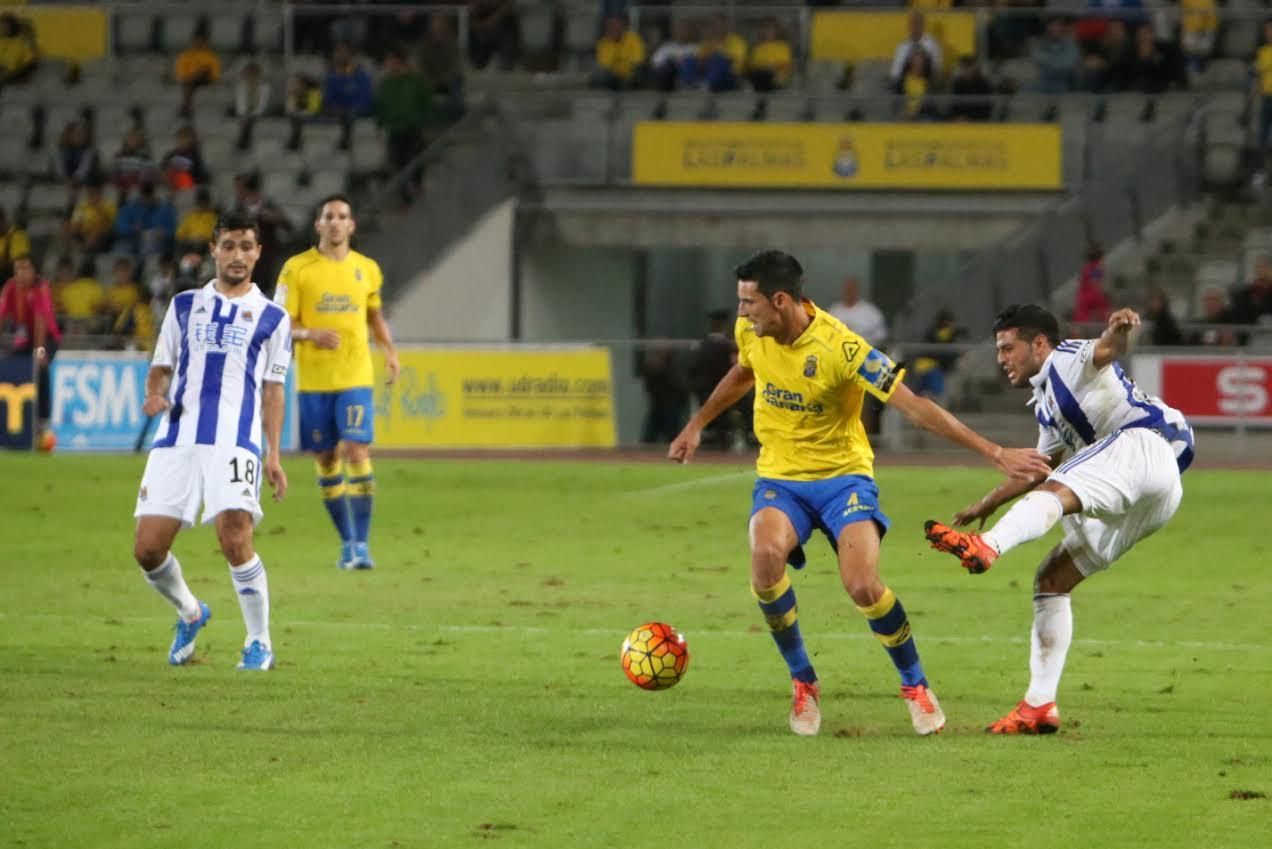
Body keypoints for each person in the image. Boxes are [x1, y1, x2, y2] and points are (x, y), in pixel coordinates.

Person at [667, 250, 1052, 737]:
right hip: (780, 479)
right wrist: (697, 424)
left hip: (844, 479)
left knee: (862, 584)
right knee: (765, 561)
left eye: (749, 303)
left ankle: (915, 685)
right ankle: (804, 681)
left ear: (780, 300)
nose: (741, 313)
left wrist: (994, 453)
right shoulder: (753, 332)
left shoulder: (843, 349)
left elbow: (913, 407)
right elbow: (746, 370)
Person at [924, 304, 1194, 734]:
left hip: (1145, 446)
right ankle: (1038, 706)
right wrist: (987, 503)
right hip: (1156, 494)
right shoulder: (1047, 403)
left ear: (1039, 344)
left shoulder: (1067, 357)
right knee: (1052, 580)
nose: (1001, 359)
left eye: (1007, 347)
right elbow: (1043, 465)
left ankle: (988, 547)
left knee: (1059, 494)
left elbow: (1107, 349)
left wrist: (1118, 330)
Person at [132, 212, 292, 671]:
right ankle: (191, 611)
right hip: (176, 438)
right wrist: (154, 393)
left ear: (258, 252)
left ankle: (258, 641)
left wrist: (274, 454)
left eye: (246, 246)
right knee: (147, 549)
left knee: (235, 537)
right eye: (229, 246)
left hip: (235, 442)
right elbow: (162, 365)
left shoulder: (274, 318)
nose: (238, 255)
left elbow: (273, 389)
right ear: (214, 250)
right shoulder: (184, 306)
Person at [274, 195, 400, 570]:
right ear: (318, 225)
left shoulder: (367, 269)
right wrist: (310, 334)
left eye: (342, 216)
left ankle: (362, 544)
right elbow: (281, 322)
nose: (335, 222)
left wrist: (390, 351)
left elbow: (375, 316)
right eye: (328, 216)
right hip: (313, 381)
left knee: (357, 450)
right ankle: (347, 543)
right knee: (327, 459)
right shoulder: (296, 270)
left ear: (351, 225)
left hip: (355, 376)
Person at [0, 255, 62, 445]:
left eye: (26, 269)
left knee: (41, 371)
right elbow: (1, 315)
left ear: (34, 272)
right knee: (10, 365)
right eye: (18, 269)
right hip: (25, 339)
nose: (21, 273)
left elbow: (40, 320)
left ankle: (43, 422)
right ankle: (13, 421)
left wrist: (40, 350)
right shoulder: (11, 287)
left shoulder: (40, 288)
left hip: (48, 339)